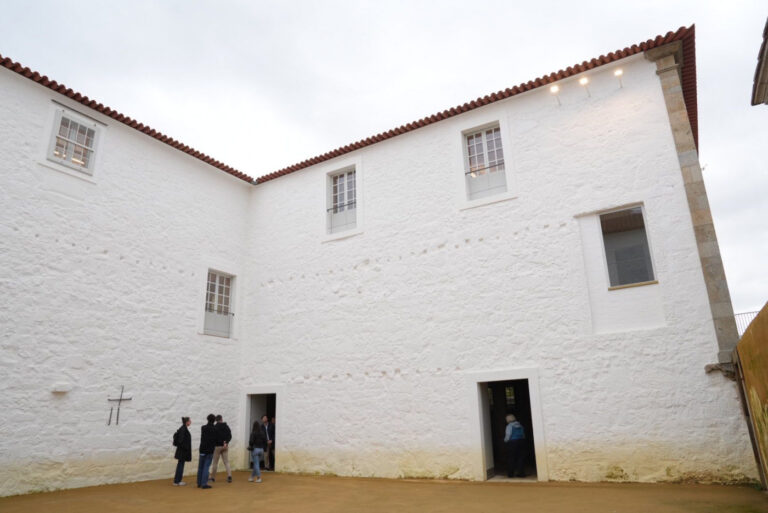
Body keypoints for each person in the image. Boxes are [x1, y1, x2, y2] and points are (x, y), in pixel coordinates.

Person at [209, 414, 233, 483]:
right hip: (225, 446)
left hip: (217, 446)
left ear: (216, 420)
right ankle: (229, 476)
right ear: (221, 419)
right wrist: (226, 442)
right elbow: (230, 435)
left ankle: (213, 478)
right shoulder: (226, 426)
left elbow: (214, 437)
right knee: (226, 462)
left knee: (215, 463)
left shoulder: (215, 427)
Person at [197, 414, 216, 488]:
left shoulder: (203, 427)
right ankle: (204, 483)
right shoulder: (214, 429)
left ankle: (199, 482)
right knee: (206, 467)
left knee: (200, 467)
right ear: (214, 420)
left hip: (202, 449)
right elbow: (216, 439)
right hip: (210, 450)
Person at [172, 417, 192, 486]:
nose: (190, 422)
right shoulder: (183, 429)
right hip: (182, 451)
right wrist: (186, 448)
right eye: (190, 421)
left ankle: (177, 480)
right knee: (180, 465)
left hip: (181, 451)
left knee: (180, 465)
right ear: (187, 422)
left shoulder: (183, 428)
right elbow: (181, 441)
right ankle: (177, 481)